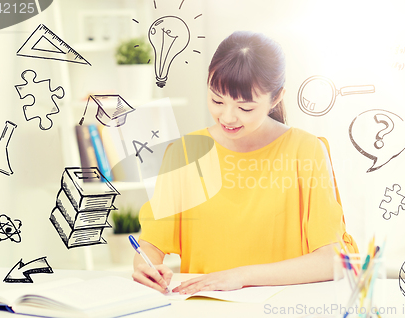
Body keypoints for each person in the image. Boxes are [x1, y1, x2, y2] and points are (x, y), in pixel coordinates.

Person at [132, 31, 358, 295]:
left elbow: (334, 261)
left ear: (276, 98)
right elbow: (152, 244)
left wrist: (242, 276)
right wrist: (145, 265)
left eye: (245, 108)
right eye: (217, 100)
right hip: (204, 309)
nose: (227, 117)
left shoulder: (305, 150)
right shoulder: (184, 154)